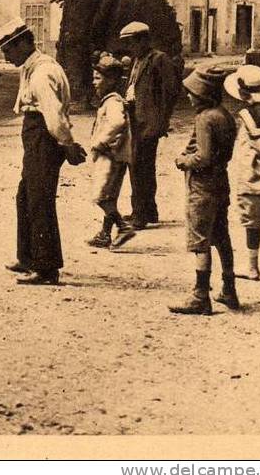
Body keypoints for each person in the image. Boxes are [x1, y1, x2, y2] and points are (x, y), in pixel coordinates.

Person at [0, 19, 87, 285]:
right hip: (36, 135)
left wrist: (66, 143)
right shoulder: (32, 66)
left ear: (24, 43)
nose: (7, 55)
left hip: (44, 136)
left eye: (10, 50)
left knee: (40, 201)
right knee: (25, 196)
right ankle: (27, 256)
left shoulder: (42, 73)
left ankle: (46, 268)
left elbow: (54, 114)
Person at [169, 65, 238, 315]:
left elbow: (203, 156)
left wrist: (183, 161)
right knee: (222, 236)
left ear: (202, 95)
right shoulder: (225, 115)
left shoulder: (204, 118)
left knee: (199, 241)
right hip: (221, 182)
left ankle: (200, 295)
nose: (188, 97)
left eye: (192, 93)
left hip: (202, 185)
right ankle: (229, 289)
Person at [120, 21, 180, 229]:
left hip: (148, 121)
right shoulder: (137, 60)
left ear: (144, 39)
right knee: (138, 165)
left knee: (141, 166)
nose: (130, 47)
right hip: (134, 118)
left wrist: (161, 119)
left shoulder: (158, 59)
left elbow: (170, 91)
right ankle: (147, 210)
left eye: (133, 42)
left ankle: (141, 214)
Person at [224, 65, 260, 281]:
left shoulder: (246, 116)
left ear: (244, 93)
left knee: (252, 225)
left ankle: (252, 267)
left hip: (251, 177)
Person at [87, 54, 136, 249]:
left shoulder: (113, 102)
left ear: (111, 80)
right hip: (116, 155)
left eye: (98, 78)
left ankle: (123, 227)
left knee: (100, 195)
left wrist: (100, 141)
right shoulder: (111, 100)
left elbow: (117, 122)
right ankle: (105, 234)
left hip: (111, 155)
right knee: (110, 195)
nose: (94, 82)